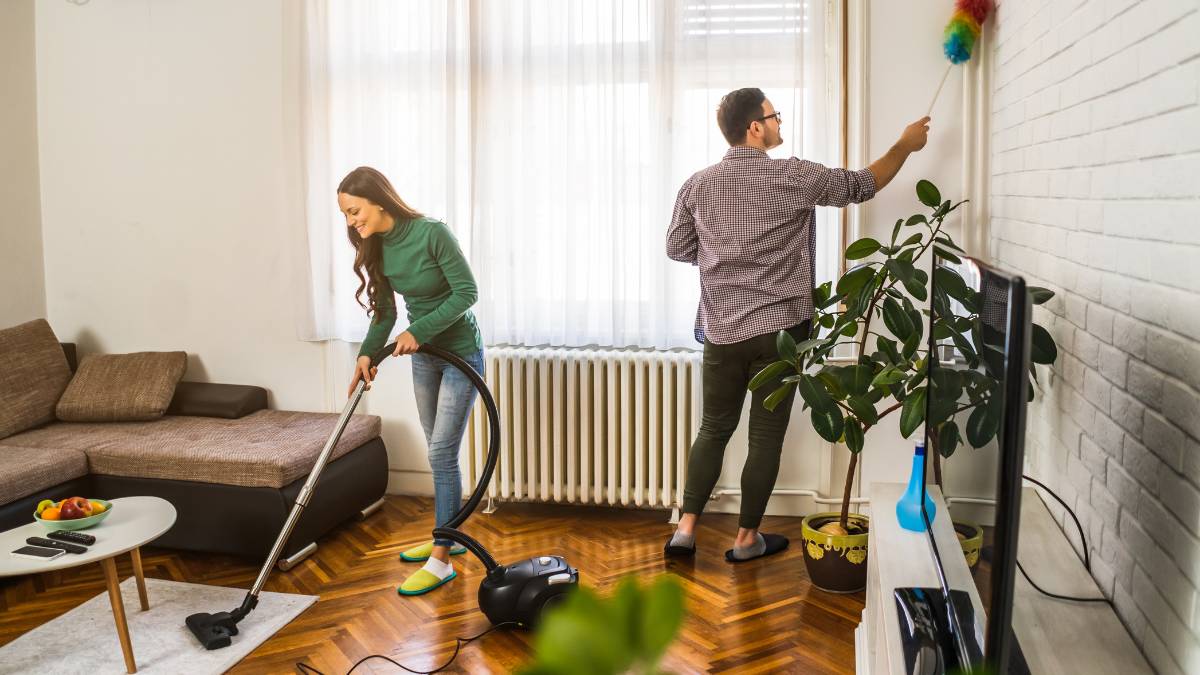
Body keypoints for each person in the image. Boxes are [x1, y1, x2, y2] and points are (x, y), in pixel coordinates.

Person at [664, 88, 930, 562]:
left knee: (713, 428)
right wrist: (904, 146)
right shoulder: (792, 175)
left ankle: (685, 530)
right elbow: (862, 184)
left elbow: (678, 248)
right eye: (774, 116)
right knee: (765, 437)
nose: (779, 123)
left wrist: (725, 256)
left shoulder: (697, 185)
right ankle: (746, 540)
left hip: (722, 331)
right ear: (755, 127)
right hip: (781, 333)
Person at [338, 166, 484, 595]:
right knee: (439, 453)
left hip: (461, 355)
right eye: (345, 214)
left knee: (441, 452)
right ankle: (448, 537)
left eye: (354, 211)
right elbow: (385, 311)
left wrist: (418, 330)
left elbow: (467, 292)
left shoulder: (432, 233)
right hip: (425, 359)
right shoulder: (376, 245)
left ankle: (441, 560)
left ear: (379, 200)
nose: (351, 221)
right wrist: (367, 352)